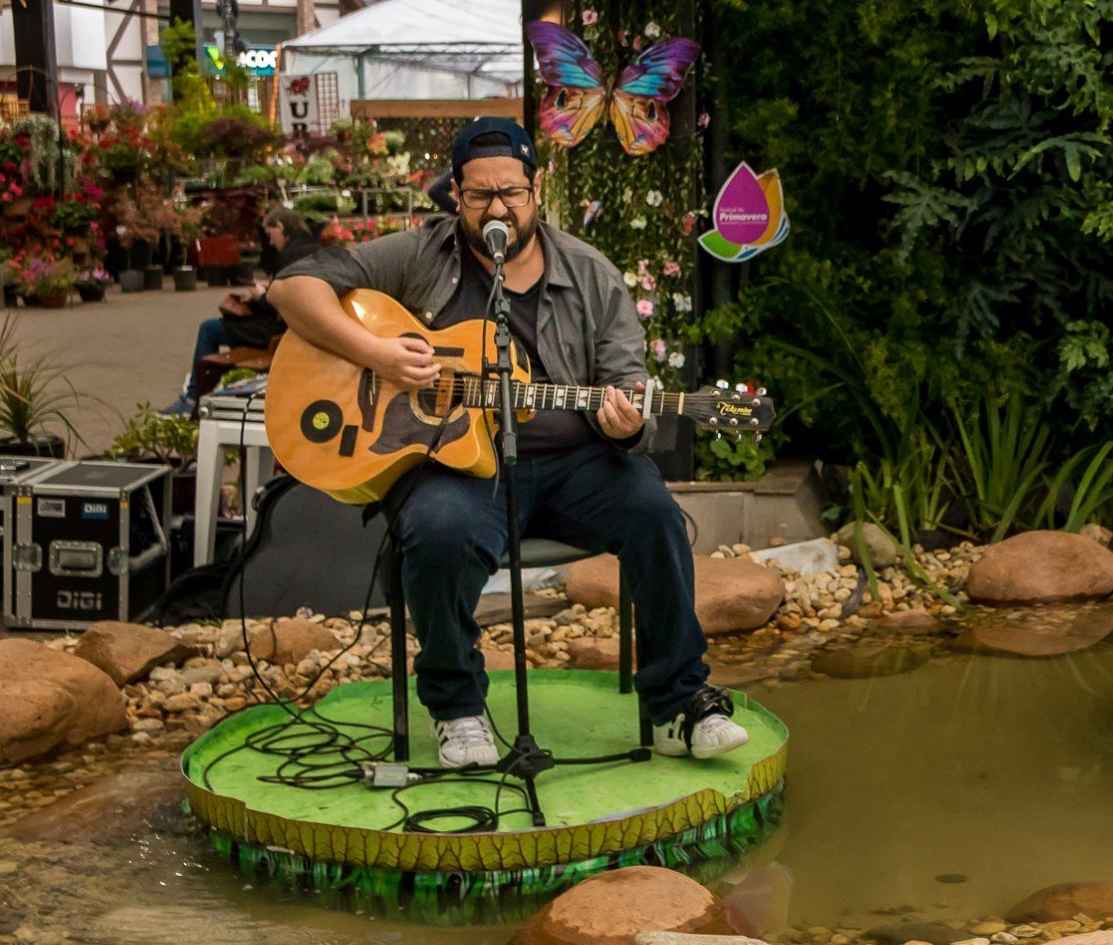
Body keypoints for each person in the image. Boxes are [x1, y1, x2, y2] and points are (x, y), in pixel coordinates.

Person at [267, 117, 747, 769]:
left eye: (511, 193)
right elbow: (292, 288)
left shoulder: (591, 274)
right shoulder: (418, 254)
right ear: (455, 195)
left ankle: (678, 704)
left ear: (535, 188)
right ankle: (458, 709)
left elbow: (628, 381)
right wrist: (376, 353)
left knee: (655, 514)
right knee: (436, 531)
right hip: (456, 467)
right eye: (480, 194)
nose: (497, 208)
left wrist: (629, 422)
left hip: (575, 463)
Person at [161, 208, 322, 416]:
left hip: (278, 330)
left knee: (209, 328)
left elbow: (287, 302)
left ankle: (191, 399)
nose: (270, 242)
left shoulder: (292, 255)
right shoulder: (311, 248)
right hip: (294, 327)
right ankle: (211, 393)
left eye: (270, 234)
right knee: (227, 327)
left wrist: (260, 296)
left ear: (281, 227)